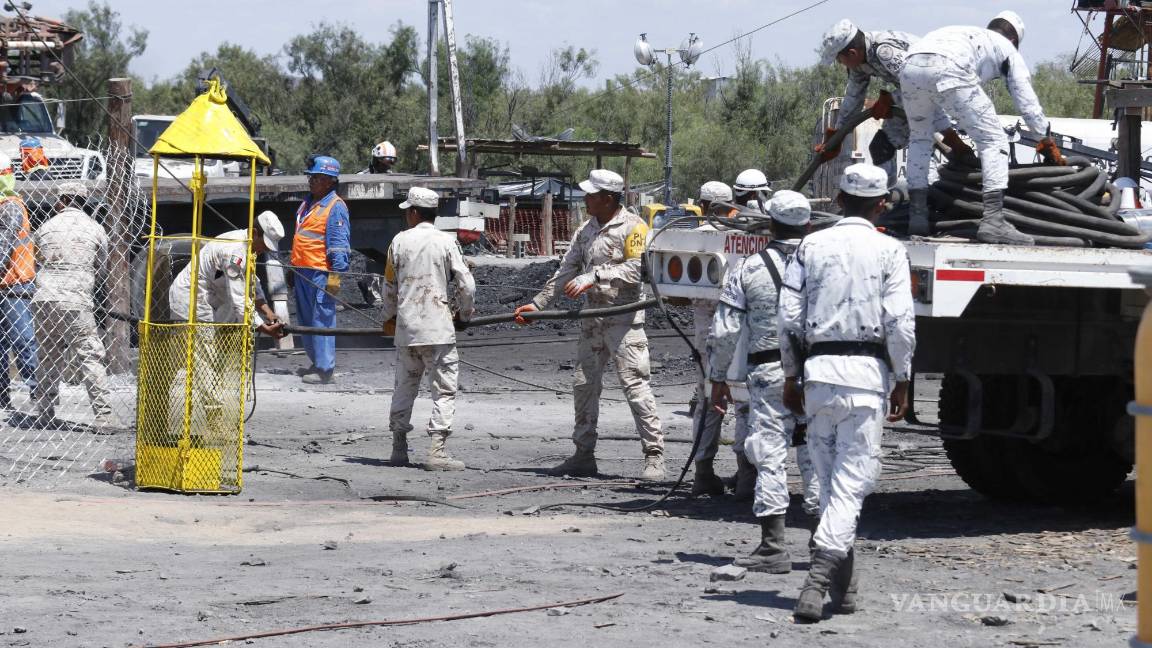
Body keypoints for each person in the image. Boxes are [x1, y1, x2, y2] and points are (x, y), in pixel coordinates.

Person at [779, 164, 915, 622]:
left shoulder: (810, 246)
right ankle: (817, 580)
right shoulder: (889, 250)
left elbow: (788, 318)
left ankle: (847, 588)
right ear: (881, 205)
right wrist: (902, 377)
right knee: (850, 487)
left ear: (838, 199)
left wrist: (792, 374)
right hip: (865, 379)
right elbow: (899, 322)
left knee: (828, 484)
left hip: (818, 376)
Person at [513, 169, 665, 481]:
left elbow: (639, 270)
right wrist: (539, 304)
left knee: (635, 387)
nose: (586, 199)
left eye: (591, 195)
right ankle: (583, 455)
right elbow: (566, 268)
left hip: (624, 321)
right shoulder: (586, 229)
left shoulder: (635, 227)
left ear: (608, 199)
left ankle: (654, 456)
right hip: (592, 320)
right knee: (584, 387)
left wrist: (595, 275)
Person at [710, 190, 822, 573]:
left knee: (770, 454)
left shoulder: (748, 268)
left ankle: (773, 547)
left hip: (769, 374)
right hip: (820, 376)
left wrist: (717, 378)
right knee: (816, 454)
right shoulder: (824, 266)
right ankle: (824, 546)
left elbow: (724, 331)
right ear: (808, 225)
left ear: (770, 225)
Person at [899, 11, 1061, 243]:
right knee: (994, 140)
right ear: (1014, 40)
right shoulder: (1007, 48)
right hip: (949, 66)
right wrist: (1044, 137)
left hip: (910, 65)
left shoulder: (967, 34)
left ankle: (917, 219)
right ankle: (994, 221)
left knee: (920, 138)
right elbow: (1026, 101)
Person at [162, 213, 286, 440]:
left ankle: (187, 420)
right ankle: (215, 422)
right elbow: (240, 300)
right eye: (264, 244)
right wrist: (263, 328)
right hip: (191, 301)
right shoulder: (235, 251)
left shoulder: (246, 248)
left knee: (199, 363)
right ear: (255, 233)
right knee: (204, 363)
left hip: (203, 301)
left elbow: (252, 283)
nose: (265, 250)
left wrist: (267, 312)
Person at [380, 187, 476, 471]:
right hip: (438, 329)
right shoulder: (446, 242)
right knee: (444, 390)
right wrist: (465, 315)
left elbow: (389, 287)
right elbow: (466, 284)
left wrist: (389, 317)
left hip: (407, 329)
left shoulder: (398, 242)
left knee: (405, 386)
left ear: (413, 212)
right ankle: (437, 451)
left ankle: (399, 448)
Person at [814, 20, 975, 170]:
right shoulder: (859, 65)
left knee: (955, 153)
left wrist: (890, 99)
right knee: (881, 148)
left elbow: (922, 82)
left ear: (852, 53)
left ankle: (971, 169)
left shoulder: (884, 51)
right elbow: (853, 98)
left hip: (945, 88)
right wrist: (837, 136)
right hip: (916, 96)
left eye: (839, 59)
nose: (840, 64)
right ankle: (884, 196)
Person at [29, 182, 113, 426]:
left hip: (44, 298)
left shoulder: (46, 227)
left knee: (48, 354)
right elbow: (102, 266)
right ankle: (104, 416)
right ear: (84, 201)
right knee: (90, 355)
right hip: (76, 300)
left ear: (61, 201)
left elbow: (38, 261)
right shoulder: (95, 228)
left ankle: (45, 412)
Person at [689, 181, 735, 496]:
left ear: (703, 206)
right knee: (745, 400)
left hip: (705, 330)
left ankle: (703, 470)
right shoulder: (742, 238)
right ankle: (748, 476)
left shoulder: (692, 239)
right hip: (741, 328)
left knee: (707, 398)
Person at [290, 155, 350, 384]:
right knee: (307, 320)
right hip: (303, 270)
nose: (311, 181)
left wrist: (335, 281)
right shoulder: (307, 203)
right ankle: (316, 362)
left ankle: (325, 369)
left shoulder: (335, 208)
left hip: (321, 273)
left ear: (330, 181)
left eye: (317, 178)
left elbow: (339, 247)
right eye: (311, 177)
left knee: (322, 319)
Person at [0, 151, 38, 410]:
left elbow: (3, 248)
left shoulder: (10, 206)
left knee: (22, 339)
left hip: (15, 286)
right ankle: (3, 398)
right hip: (7, 284)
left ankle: (39, 393)